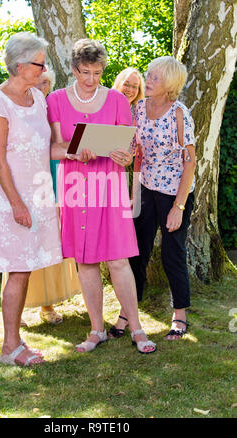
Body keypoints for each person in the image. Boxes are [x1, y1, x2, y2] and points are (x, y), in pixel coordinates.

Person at [46, 38, 156, 354]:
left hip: (109, 186)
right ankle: (96, 330)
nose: (91, 79)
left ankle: (135, 327)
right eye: (84, 72)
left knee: (119, 259)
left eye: (96, 72)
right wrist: (74, 151)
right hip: (76, 188)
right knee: (86, 261)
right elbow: (53, 148)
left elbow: (127, 147)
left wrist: (123, 157)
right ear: (73, 69)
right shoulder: (55, 101)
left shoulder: (117, 101)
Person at [0, 32, 64, 367]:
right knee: (17, 269)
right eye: (39, 64)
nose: (44, 71)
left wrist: (80, 151)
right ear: (19, 65)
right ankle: (9, 349)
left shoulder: (38, 99)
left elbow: (48, 148)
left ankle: (15, 342)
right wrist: (16, 204)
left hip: (36, 194)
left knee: (24, 269)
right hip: (9, 198)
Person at [1, 66, 81, 326]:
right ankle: (18, 311)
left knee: (48, 243)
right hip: (25, 184)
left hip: (53, 182)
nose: (41, 87)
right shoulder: (16, 109)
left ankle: (47, 305)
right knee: (20, 247)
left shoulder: (52, 110)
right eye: (39, 82)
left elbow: (69, 139)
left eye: (46, 83)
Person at [123, 56, 196, 340]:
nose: (147, 80)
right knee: (136, 250)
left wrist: (178, 207)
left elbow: (190, 162)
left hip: (174, 192)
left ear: (170, 85)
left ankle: (180, 314)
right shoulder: (138, 108)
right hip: (145, 188)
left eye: (155, 78)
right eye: (148, 75)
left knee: (171, 254)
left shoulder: (179, 113)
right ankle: (129, 311)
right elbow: (131, 149)